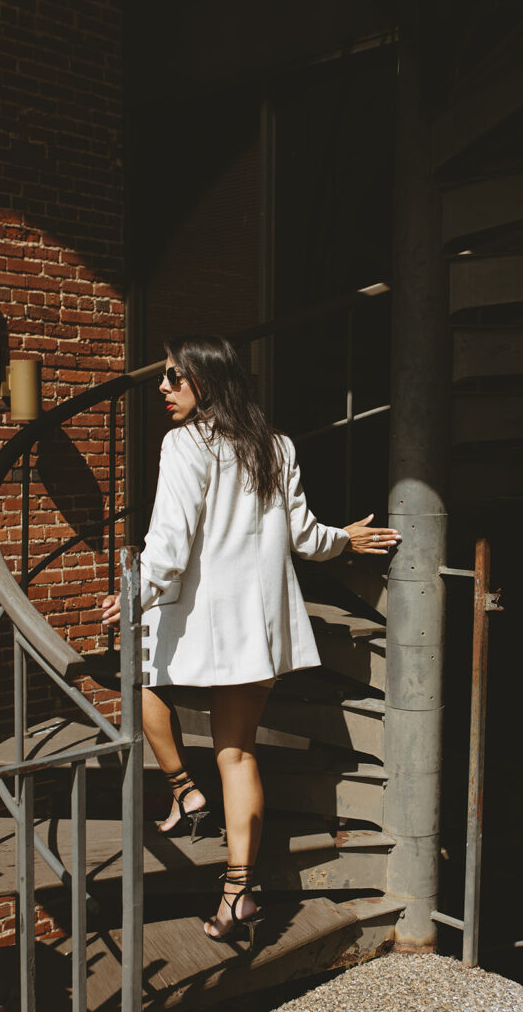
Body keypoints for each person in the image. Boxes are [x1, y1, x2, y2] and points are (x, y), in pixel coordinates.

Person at [101, 336, 399, 949]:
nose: (163, 387)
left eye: (174, 378)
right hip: (258, 629)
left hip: (207, 619)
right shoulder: (276, 444)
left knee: (141, 679)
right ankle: (237, 892)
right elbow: (303, 537)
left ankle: (184, 789)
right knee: (238, 756)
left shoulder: (184, 444)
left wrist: (136, 592)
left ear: (206, 381)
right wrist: (344, 539)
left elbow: (171, 541)